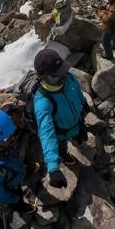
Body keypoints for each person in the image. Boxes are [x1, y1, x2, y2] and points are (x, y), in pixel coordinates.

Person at [33, 47, 86, 187]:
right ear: (43, 77)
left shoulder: (69, 78)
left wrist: (84, 103)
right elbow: (46, 134)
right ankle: (63, 154)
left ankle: (76, 136)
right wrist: (53, 168)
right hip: (61, 134)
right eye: (57, 75)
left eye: (63, 70)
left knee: (79, 136)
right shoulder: (43, 102)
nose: (63, 76)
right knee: (62, 146)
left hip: (77, 122)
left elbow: (76, 90)